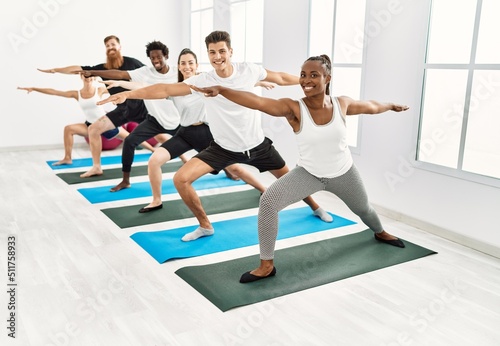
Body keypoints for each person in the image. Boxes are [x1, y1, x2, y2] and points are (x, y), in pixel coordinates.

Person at [191, 54, 409, 283]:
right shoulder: (293, 108)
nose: (306, 80)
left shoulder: (341, 104)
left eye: (314, 75)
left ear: (328, 78)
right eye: (303, 75)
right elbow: (256, 102)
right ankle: (266, 265)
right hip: (309, 174)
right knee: (268, 202)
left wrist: (391, 106)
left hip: (344, 173)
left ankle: (380, 232)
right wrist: (223, 90)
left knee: (364, 209)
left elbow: (371, 106)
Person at [98, 30, 332, 242]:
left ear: (231, 51)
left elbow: (279, 77)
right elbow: (165, 89)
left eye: (222, 51)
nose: (217, 56)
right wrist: (129, 95)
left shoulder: (248, 70)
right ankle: (205, 225)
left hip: (257, 145)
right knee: (181, 179)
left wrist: (307, 82)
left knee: (288, 178)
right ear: (208, 55)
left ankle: (315, 206)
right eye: (212, 52)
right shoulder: (204, 80)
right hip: (223, 148)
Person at [137, 48, 266, 214]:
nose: (187, 66)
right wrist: (124, 89)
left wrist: (258, 82)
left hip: (206, 134)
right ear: (178, 66)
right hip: (185, 134)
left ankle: (264, 189)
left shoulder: (205, 82)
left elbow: (231, 84)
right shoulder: (175, 88)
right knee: (154, 160)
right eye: (183, 63)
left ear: (196, 65)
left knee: (235, 169)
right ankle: (156, 200)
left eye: (191, 62)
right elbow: (144, 86)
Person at [80, 40, 184, 192]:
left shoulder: (177, 72)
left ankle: (228, 167)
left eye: (158, 57)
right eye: (152, 58)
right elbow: (122, 75)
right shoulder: (146, 72)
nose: (155, 61)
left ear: (166, 56)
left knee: (200, 141)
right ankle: (125, 180)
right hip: (154, 119)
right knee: (129, 141)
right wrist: (99, 74)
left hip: (176, 119)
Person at [39, 35, 149, 178]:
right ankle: (96, 167)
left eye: (113, 44)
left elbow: (151, 74)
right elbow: (79, 69)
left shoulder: (132, 63)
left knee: (159, 133)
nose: (110, 47)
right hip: (122, 110)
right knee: (93, 129)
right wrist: (56, 70)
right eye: (107, 46)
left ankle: (182, 155)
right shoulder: (102, 69)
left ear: (120, 46)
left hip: (140, 106)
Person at [17, 74, 155, 166]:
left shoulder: (99, 90)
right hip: (90, 125)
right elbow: (55, 91)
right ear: (81, 77)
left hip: (105, 124)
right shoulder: (76, 94)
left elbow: (120, 88)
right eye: (85, 76)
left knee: (131, 138)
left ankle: (153, 151)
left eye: (90, 76)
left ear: (93, 78)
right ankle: (67, 157)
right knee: (68, 129)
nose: (88, 78)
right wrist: (34, 88)